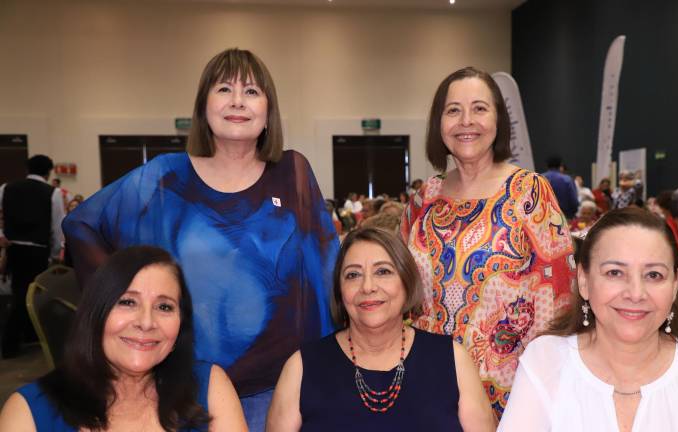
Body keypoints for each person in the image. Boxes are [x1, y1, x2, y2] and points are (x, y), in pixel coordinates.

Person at [62, 48, 338, 429]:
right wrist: (123, 305)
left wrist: (332, 365)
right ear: (203, 106)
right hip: (191, 393)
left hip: (281, 392)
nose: (237, 101)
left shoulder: (293, 173)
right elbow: (82, 225)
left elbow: (326, 272)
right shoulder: (163, 179)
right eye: (224, 89)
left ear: (269, 111)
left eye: (252, 91)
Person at [400, 66, 575, 418]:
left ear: (498, 120)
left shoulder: (530, 192)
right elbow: (399, 289)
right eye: (453, 110)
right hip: (426, 386)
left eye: (479, 108)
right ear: (439, 124)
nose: (466, 121)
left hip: (509, 394)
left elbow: (560, 298)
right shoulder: (424, 198)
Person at [498, 208, 678, 431]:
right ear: (584, 281)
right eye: (615, 272)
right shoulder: (546, 360)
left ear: (674, 285)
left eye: (653, 275)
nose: (636, 294)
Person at [267, 228, 495, 431]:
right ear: (339, 291)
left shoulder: (453, 360)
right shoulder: (301, 368)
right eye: (353, 275)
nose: (367, 287)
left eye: (383, 271)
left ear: (406, 281)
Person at [0, 246, 247, 431]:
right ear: (95, 314)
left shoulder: (209, 389)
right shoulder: (28, 414)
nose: (146, 322)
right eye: (128, 302)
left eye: (164, 307)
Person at [0, 154, 66, 358]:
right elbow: (57, 225)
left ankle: (28, 335)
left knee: (19, 291)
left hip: (13, 248)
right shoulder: (53, 193)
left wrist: (1, 235)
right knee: (28, 294)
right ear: (48, 172)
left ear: (27, 169)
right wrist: (55, 252)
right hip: (37, 249)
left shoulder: (6, 188)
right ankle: (10, 342)